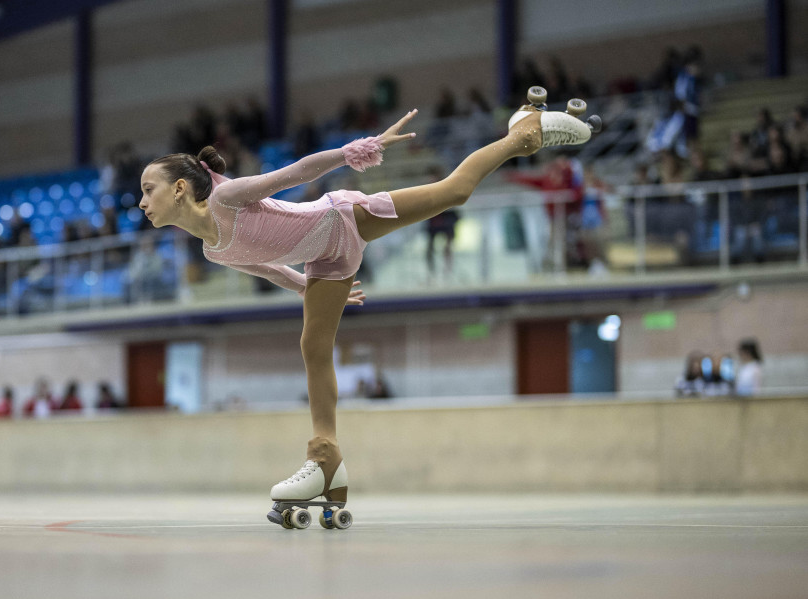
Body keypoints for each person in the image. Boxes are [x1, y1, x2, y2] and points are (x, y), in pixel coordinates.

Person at [137, 90, 595, 521]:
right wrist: (302, 288)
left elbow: (294, 173)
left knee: (454, 192)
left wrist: (355, 150)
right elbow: (265, 265)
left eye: (148, 189)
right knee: (314, 346)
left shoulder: (225, 198)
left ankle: (521, 132)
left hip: (344, 218)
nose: (141, 202)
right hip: (324, 261)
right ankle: (326, 463)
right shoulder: (211, 251)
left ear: (180, 188)